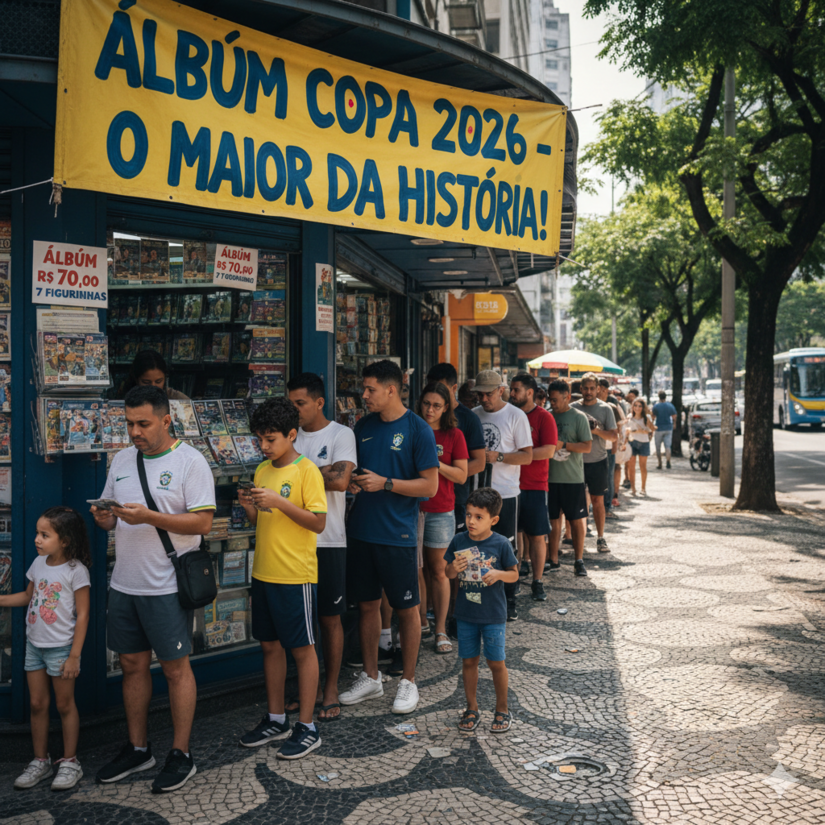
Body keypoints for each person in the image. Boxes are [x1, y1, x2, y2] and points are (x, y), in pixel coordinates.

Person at [90, 386, 215, 793]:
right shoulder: (122, 459)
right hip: (125, 580)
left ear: (166, 420)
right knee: (131, 666)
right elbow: (115, 518)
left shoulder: (190, 462)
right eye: (129, 423)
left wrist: (150, 517)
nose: (135, 432)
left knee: (176, 668)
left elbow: (202, 524)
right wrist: (106, 519)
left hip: (166, 583)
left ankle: (181, 753)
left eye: (143, 423)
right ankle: (138, 747)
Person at [339, 360, 438, 715]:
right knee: (367, 605)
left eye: (370, 390)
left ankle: (408, 682)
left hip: (398, 534)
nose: (363, 396)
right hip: (361, 531)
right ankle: (371, 677)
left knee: (406, 609)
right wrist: (355, 482)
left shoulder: (418, 429)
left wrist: (388, 483)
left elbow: (431, 485)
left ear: (391, 389)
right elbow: (357, 473)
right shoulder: (363, 426)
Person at [237, 398, 327, 758]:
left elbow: (318, 522)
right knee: (269, 646)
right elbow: (264, 522)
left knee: (303, 650)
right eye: (260, 439)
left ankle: (307, 725)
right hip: (264, 572)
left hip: (296, 575)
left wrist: (280, 502)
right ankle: (276, 717)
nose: (264, 446)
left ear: (292, 435)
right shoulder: (262, 470)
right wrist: (250, 508)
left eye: (270, 439)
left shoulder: (307, 471)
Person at [1, 507, 90, 791]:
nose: (38, 539)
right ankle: (40, 760)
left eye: (44, 535)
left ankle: (70, 762)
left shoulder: (76, 570)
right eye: (38, 533)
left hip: (61, 649)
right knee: (37, 704)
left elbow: (84, 614)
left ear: (64, 540)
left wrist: (74, 655)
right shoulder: (39, 563)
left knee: (64, 705)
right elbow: (28, 596)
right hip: (34, 646)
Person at [288, 372, 357, 722]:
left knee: (330, 619)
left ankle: (330, 687)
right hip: (292, 541)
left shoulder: (341, 434)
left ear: (319, 402)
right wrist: (320, 471)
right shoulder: (289, 436)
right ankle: (308, 688)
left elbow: (341, 481)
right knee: (302, 621)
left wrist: (301, 473)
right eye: (291, 404)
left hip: (329, 540)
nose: (295, 410)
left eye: (300, 403)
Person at [445, 488, 518, 734]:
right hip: (466, 614)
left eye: (478, 517)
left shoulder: (500, 543)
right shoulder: (458, 540)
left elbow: (514, 574)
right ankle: (472, 708)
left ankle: (502, 709)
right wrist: (453, 568)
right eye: (468, 515)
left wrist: (498, 574)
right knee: (468, 662)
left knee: (496, 662)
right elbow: (447, 573)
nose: (471, 521)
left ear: (493, 520)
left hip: (493, 615)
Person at [472, 370, 532, 621]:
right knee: (476, 548)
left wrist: (498, 456)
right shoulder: (474, 415)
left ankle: (509, 598)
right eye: (480, 394)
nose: (484, 398)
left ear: (501, 390)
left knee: (506, 546)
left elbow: (527, 456)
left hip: (506, 493)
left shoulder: (516, 416)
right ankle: (477, 597)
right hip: (476, 493)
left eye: (488, 393)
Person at [417, 382, 468, 654]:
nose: (430, 410)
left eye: (437, 405)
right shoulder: (412, 428)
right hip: (411, 508)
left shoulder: (453, 435)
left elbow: (462, 475)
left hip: (441, 510)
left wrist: (436, 464)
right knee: (416, 569)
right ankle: (420, 621)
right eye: (426, 403)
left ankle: (441, 629)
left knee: (438, 570)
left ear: (446, 407)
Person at [509, 373, 557, 601]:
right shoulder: (508, 415)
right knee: (514, 535)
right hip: (509, 485)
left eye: (515, 389)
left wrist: (519, 456)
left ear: (529, 392)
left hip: (535, 485)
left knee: (537, 535)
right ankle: (514, 578)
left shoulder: (544, 417)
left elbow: (549, 450)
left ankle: (537, 581)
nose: (511, 394)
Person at [426, 364, 486, 532]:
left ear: (453, 388)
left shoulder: (468, 419)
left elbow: (479, 463)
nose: (436, 392)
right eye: (432, 387)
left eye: (441, 388)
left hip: (456, 498)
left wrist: (450, 474)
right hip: (422, 499)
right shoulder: (421, 419)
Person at [547, 379, 592, 577]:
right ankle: (553, 558)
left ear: (567, 396)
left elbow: (587, 446)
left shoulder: (579, 417)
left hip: (573, 478)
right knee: (553, 520)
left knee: (576, 520)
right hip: (549, 478)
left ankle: (579, 560)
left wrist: (563, 444)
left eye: (556, 400)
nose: (553, 403)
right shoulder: (547, 416)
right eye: (550, 400)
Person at [572, 373, 618, 553]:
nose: (589, 392)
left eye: (592, 388)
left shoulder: (605, 409)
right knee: (576, 501)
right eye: (586, 388)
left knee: (597, 499)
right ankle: (576, 538)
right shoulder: (572, 408)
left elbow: (614, 436)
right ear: (581, 389)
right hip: (575, 461)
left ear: (598, 389)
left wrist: (597, 431)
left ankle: (600, 537)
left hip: (598, 460)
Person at [123, 350, 189, 400]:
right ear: (136, 379)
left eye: (158, 381)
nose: (153, 386)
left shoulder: (176, 398)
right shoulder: (127, 399)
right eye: (146, 382)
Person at [623, 398, 655, 496]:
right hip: (632, 443)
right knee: (631, 467)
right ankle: (633, 489)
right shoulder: (629, 417)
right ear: (632, 407)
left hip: (644, 442)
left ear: (643, 407)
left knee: (643, 467)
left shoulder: (647, 417)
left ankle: (643, 488)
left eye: (639, 406)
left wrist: (644, 430)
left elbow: (652, 429)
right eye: (635, 405)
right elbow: (626, 431)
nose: (637, 408)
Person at [652, 391, 678, 469]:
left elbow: (653, 417)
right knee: (667, 446)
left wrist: (652, 425)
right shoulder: (670, 406)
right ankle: (668, 461)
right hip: (668, 428)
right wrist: (674, 424)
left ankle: (660, 463)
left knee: (658, 446)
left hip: (659, 428)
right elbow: (674, 416)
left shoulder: (656, 406)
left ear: (659, 397)